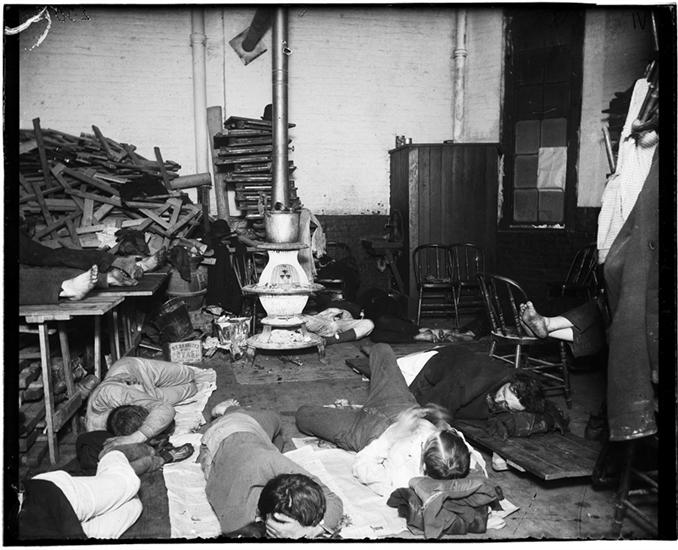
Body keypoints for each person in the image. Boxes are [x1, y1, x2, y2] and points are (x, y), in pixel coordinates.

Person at [296, 343, 486, 497]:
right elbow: (474, 459)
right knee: (382, 349)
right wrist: (442, 424)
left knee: (304, 415)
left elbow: (363, 466)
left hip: (364, 431)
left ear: (423, 465)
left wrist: (392, 436)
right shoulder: (462, 461)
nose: (430, 435)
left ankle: (352, 410)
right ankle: (358, 403)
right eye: (439, 435)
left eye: (428, 441)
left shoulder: (402, 483)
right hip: (400, 405)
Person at [197, 400, 343, 538]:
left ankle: (236, 412)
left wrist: (313, 530)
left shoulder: (273, 462)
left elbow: (332, 499)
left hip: (250, 445)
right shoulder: (237, 517)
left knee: (277, 431)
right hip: (228, 429)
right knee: (273, 420)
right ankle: (230, 410)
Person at [17, 445, 160, 540]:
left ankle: (112, 455)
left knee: (128, 483)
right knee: (133, 506)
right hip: (63, 531)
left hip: (47, 498)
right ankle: (119, 471)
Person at [84, 357, 197, 449]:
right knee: (192, 388)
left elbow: (165, 409)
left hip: (136, 372)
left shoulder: (111, 394)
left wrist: (138, 436)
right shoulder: (102, 434)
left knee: (189, 374)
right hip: (146, 395)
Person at [302, 307, 375, 345]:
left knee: (369, 324)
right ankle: (320, 338)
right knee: (303, 320)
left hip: (340, 322)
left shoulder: (348, 310)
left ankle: (327, 340)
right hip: (319, 319)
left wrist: (341, 313)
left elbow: (347, 317)